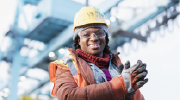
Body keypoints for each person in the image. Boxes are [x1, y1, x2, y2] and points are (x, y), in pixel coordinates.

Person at [49, 7, 148, 100]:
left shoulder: (116, 66)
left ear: (106, 37)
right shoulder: (67, 65)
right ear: (78, 40)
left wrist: (132, 93)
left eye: (100, 33)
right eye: (86, 34)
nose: (94, 38)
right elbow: (67, 96)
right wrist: (120, 85)